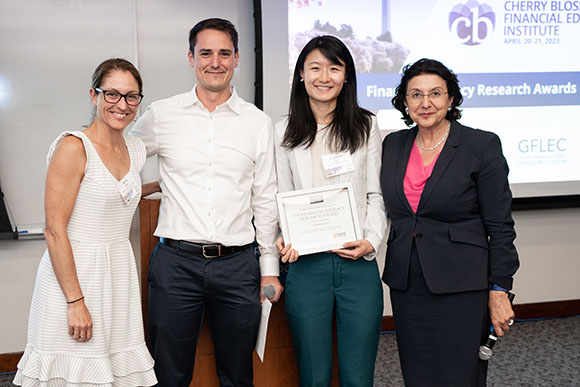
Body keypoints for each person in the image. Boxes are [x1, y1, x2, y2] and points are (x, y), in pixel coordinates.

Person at [130, 18, 282, 387]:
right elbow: (122, 157)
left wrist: (269, 267)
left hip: (237, 267)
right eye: (206, 53)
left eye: (224, 53)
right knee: (169, 372)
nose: (215, 62)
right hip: (175, 266)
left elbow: (264, 199)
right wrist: (142, 186)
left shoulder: (257, 123)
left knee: (237, 373)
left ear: (237, 59)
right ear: (191, 57)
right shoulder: (162, 116)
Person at [13, 58, 157, 386]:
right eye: (112, 94)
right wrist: (75, 302)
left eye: (131, 96)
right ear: (94, 96)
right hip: (76, 277)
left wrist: (162, 185)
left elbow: (116, 192)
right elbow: (54, 228)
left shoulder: (135, 149)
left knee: (114, 372)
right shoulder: (73, 147)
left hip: (117, 274)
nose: (122, 105)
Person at [380, 58, 520, 386]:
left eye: (435, 93)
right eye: (415, 94)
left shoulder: (480, 145)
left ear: (451, 99)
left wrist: (500, 289)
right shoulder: (393, 144)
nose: (425, 103)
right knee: (417, 373)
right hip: (407, 283)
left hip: (461, 284)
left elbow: (500, 225)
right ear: (404, 102)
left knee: (460, 375)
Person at [275, 35, 386, 387]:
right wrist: (283, 237)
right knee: (313, 374)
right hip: (307, 267)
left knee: (358, 374)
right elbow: (282, 196)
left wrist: (371, 241)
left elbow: (376, 194)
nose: (325, 76)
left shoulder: (366, 126)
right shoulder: (282, 131)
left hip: (357, 264)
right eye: (316, 68)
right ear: (302, 75)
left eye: (334, 68)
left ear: (347, 76)